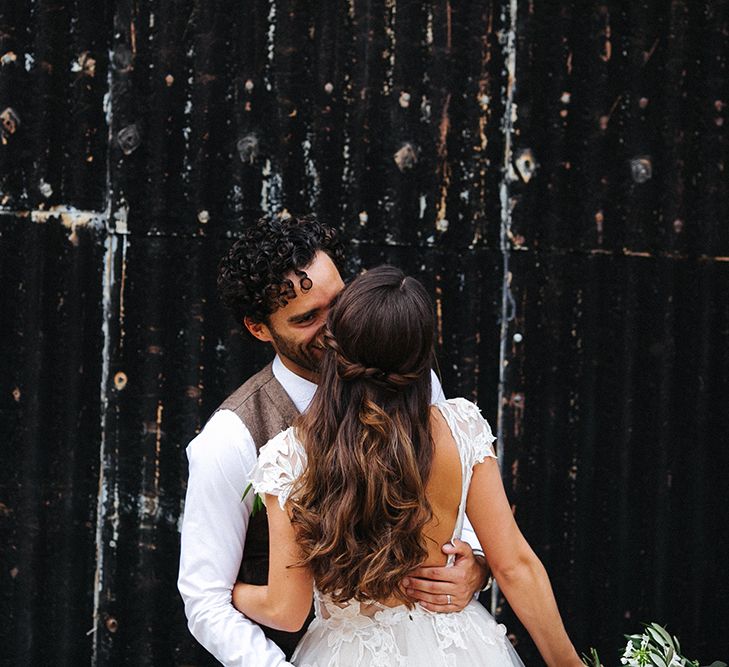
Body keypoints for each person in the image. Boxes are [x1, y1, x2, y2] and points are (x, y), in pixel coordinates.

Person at [231, 265, 583, 666]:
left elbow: (286, 611)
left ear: (336, 348)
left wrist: (232, 591)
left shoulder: (289, 457)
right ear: (422, 356)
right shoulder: (461, 429)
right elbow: (515, 564)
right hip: (459, 649)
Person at [178, 215, 490, 666]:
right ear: (258, 328)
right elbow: (205, 601)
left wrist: (476, 565)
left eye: (338, 303)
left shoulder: (411, 380)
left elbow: (462, 480)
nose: (334, 329)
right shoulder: (230, 438)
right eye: (306, 319)